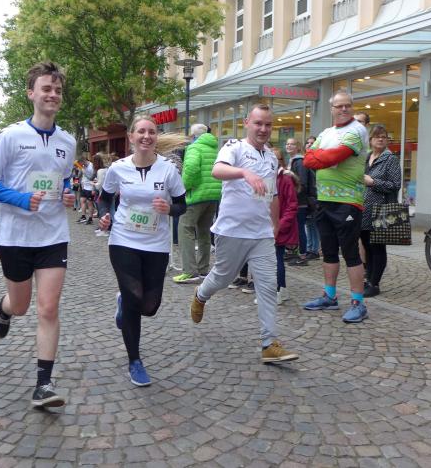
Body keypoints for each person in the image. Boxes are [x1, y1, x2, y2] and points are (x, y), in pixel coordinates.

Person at [0, 61, 76, 408]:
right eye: (46, 89)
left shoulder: (68, 141)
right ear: (31, 93)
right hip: (15, 236)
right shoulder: (10, 136)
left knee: (48, 308)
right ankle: (5, 308)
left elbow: (64, 178)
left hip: (53, 234)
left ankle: (44, 385)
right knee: (21, 306)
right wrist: (21, 199)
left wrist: (68, 194)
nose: (53, 95)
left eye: (57, 90)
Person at [189, 104, 298, 363]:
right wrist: (244, 172)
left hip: (261, 234)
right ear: (247, 123)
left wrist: (274, 225)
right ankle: (201, 295)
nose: (263, 129)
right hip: (232, 230)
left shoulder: (271, 157)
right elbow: (217, 170)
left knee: (268, 285)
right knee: (223, 277)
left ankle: (269, 343)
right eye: (258, 123)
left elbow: (273, 195)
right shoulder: (234, 147)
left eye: (268, 125)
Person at [97, 116, 186, 386]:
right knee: (134, 297)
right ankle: (134, 361)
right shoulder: (118, 168)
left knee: (150, 306)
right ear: (131, 137)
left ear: (156, 137)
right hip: (123, 240)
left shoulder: (168, 170)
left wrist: (169, 209)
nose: (147, 136)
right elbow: (104, 199)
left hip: (156, 244)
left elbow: (182, 205)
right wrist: (104, 216)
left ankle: (123, 303)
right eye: (141, 132)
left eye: (152, 132)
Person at [302, 90, 370, 323]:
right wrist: (321, 156)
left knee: (350, 253)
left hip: (348, 202)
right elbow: (308, 159)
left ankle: (358, 303)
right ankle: (329, 296)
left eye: (347, 105)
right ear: (331, 109)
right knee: (329, 251)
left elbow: (334, 157)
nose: (343, 109)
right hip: (325, 200)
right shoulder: (326, 132)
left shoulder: (357, 130)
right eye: (339, 106)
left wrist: (321, 156)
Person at [173, 124, 221, 284]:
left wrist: (183, 188)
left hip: (196, 195)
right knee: (204, 232)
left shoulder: (194, 148)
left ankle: (189, 271)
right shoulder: (214, 148)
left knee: (185, 229)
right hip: (212, 195)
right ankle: (203, 269)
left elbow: (192, 169)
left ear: (193, 136)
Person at [359, 125, 402, 298]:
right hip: (364, 210)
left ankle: (374, 283)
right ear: (370, 139)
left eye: (384, 136)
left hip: (381, 210)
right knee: (367, 246)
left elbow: (395, 185)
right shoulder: (367, 157)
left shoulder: (390, 159)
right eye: (377, 136)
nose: (381, 139)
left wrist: (373, 182)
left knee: (377, 248)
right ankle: (368, 278)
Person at [272, 148, 299, 304]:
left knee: (276, 260)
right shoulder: (268, 177)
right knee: (273, 259)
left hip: (279, 227)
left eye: (276, 158)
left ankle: (277, 291)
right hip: (269, 226)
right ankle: (281, 289)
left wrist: (280, 225)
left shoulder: (285, 179)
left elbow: (291, 205)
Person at [285, 138, 314, 265]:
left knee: (299, 228)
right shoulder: (292, 161)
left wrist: (292, 196)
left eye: (292, 144)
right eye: (287, 144)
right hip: (294, 201)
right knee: (296, 228)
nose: (289, 146)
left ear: (298, 147)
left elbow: (302, 183)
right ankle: (295, 253)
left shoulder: (300, 162)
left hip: (299, 202)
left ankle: (302, 255)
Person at [77, 155, 96, 225]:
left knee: (89, 203)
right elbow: (80, 176)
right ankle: (83, 216)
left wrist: (84, 172)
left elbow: (92, 178)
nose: (81, 165)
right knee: (82, 200)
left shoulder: (92, 166)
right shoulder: (83, 167)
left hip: (90, 187)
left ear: (84, 160)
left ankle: (90, 218)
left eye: (81, 163)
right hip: (85, 186)